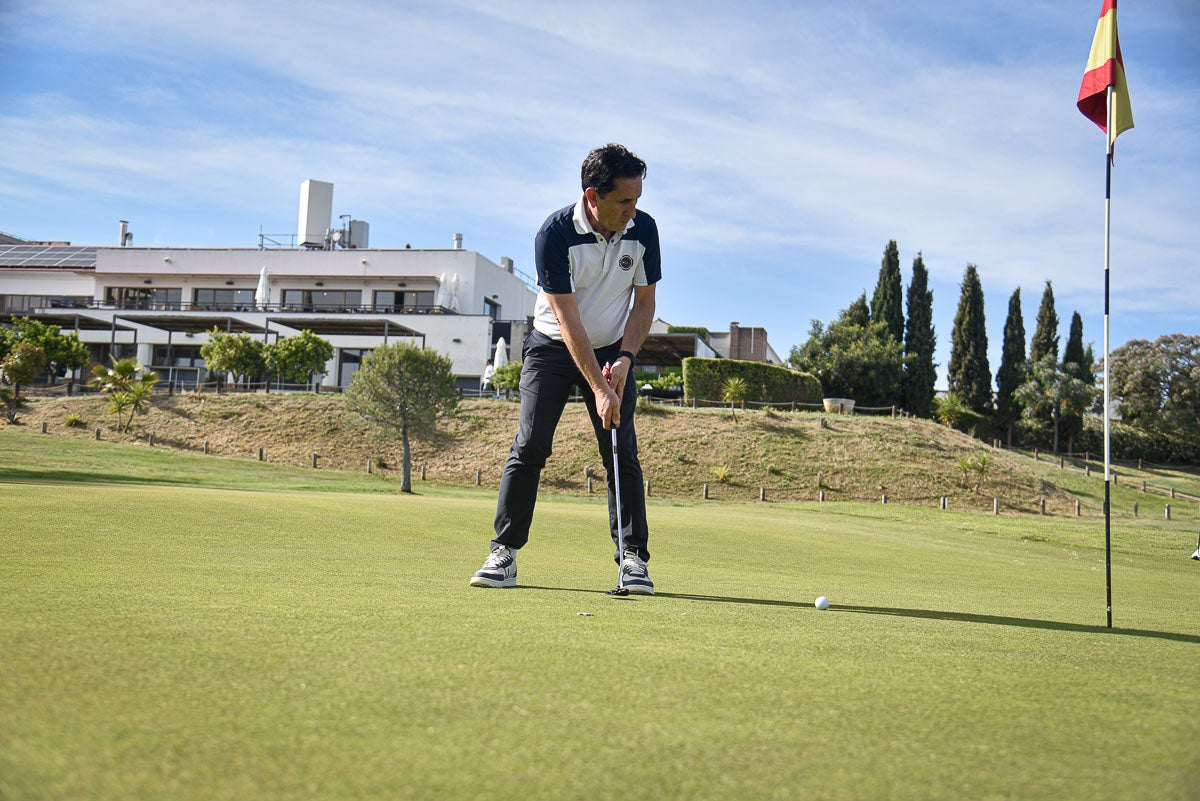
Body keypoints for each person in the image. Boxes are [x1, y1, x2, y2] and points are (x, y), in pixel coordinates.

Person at [470, 143, 660, 594]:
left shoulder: (644, 229)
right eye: (624, 201)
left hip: (615, 347)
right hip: (553, 346)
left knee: (621, 452)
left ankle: (633, 559)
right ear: (593, 197)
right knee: (531, 444)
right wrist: (598, 386)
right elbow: (568, 320)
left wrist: (626, 361)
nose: (634, 211)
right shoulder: (554, 234)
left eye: (637, 199)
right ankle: (505, 553)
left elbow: (645, 301)